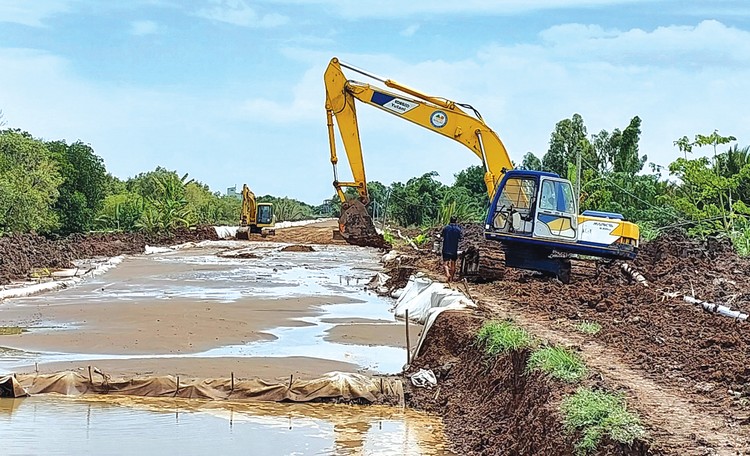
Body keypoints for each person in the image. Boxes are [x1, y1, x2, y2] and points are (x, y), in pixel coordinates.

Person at [440, 215, 462, 282]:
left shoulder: (446, 228)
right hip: (454, 249)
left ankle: (447, 274)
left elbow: (442, 236)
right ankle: (451, 279)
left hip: (446, 248)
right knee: (453, 264)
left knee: (445, 264)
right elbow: (460, 238)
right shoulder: (458, 229)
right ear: (456, 221)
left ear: (450, 220)